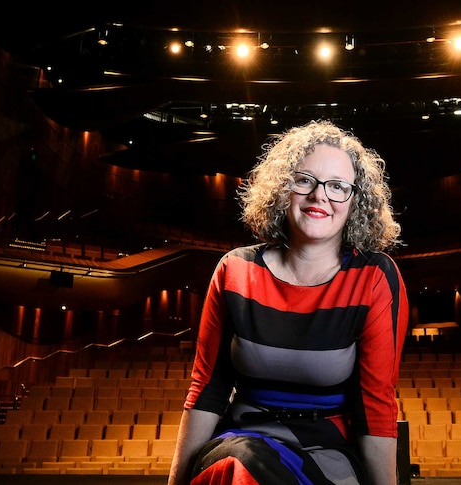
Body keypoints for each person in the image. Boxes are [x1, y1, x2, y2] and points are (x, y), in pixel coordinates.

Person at [167, 120, 409, 485]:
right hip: (239, 444)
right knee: (239, 467)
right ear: (283, 189)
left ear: (355, 202)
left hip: (327, 451)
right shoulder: (235, 270)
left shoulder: (374, 277)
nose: (319, 196)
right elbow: (207, 390)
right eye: (304, 180)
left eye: (338, 186)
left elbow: (375, 403)